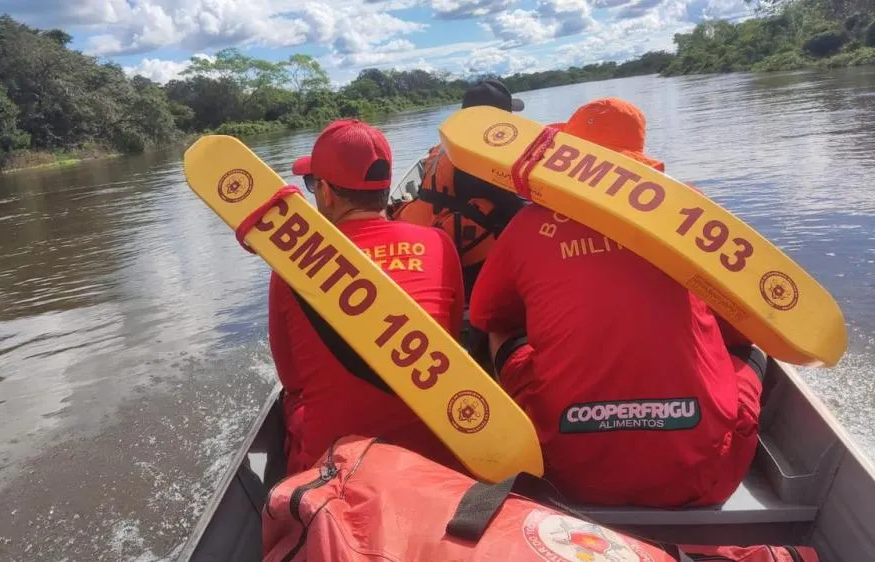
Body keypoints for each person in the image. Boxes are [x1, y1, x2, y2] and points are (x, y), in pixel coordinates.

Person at [469, 98, 763, 508]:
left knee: (504, 334)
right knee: (754, 348)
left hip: (567, 474)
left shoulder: (528, 223)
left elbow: (488, 316)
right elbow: (743, 322)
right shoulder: (693, 213)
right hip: (704, 478)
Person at [272, 118, 466, 475]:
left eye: (312, 184)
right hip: (436, 465)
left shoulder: (290, 267)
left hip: (334, 472)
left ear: (327, 193)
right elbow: (449, 343)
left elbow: (292, 380)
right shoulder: (439, 243)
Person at [390, 79, 528, 298]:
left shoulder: (446, 146)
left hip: (427, 245)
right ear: (497, 119)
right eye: (508, 115)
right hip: (466, 263)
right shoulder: (479, 155)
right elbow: (513, 209)